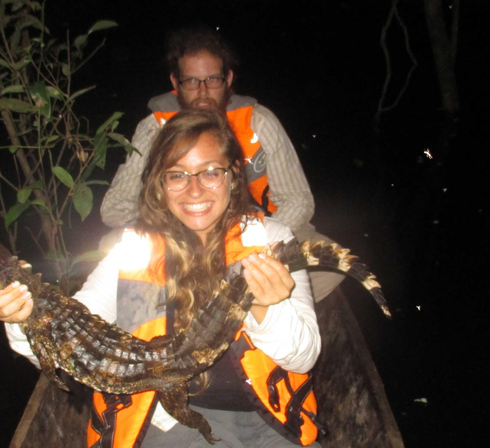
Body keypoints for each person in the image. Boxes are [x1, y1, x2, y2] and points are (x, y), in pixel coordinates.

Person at [0, 110, 383, 448]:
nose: (194, 190)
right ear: (160, 183)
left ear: (232, 175)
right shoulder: (135, 254)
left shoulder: (267, 241)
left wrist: (268, 306)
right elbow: (67, 347)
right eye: (177, 174)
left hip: (272, 425)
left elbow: (303, 355)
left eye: (210, 172)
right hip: (168, 426)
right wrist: (23, 319)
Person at [100, 26, 344, 302]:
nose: (202, 92)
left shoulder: (258, 121)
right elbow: (114, 209)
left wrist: (245, 241)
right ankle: (181, 314)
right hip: (178, 232)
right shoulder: (153, 129)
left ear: (228, 78)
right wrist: (174, 231)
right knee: (111, 247)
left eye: (212, 80)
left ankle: (245, 314)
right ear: (176, 82)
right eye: (191, 81)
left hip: (253, 228)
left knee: (329, 262)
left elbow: (299, 201)